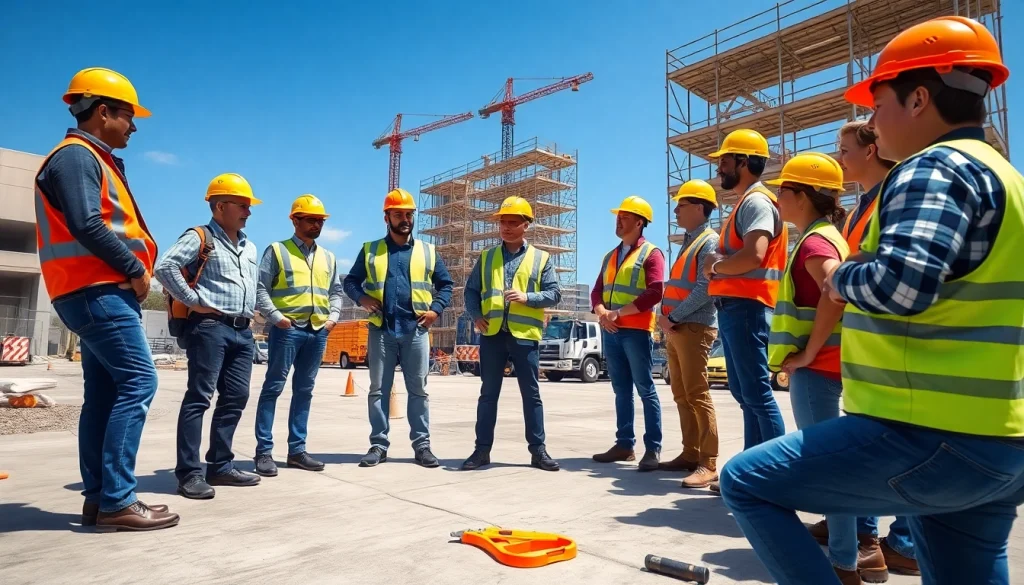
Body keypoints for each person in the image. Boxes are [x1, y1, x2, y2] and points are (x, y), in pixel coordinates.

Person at [719, 16, 1024, 585]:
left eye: (877, 103)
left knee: (746, 481)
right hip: (1001, 436)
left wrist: (840, 276)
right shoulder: (1008, 178)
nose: (871, 123)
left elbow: (901, 285)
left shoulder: (932, 168)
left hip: (926, 430)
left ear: (919, 98)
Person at [35, 67, 178, 531]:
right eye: (128, 116)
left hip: (89, 290)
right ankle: (118, 499)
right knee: (140, 383)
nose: (133, 126)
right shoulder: (76, 156)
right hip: (98, 291)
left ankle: (99, 499)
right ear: (101, 112)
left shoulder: (89, 157)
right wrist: (136, 269)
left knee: (104, 395)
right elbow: (86, 223)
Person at [804, 120, 918, 582]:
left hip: (895, 348)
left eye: (845, 149)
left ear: (871, 151)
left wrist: (840, 279)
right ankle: (866, 537)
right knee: (868, 443)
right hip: (867, 350)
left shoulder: (897, 195)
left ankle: (902, 542)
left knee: (902, 445)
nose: (840, 157)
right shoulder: (857, 211)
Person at [763, 153, 857, 581]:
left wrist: (806, 353)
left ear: (800, 195)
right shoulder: (828, 234)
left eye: (782, 190)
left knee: (827, 469)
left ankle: (843, 565)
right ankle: (854, 553)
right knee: (837, 464)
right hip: (832, 363)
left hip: (819, 367)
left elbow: (833, 291)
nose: (777, 198)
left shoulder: (816, 243)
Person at [155, 173, 262, 500]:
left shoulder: (250, 246)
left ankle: (220, 465)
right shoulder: (200, 236)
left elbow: (254, 285)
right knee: (199, 397)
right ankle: (188, 473)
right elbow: (165, 267)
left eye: (248, 205)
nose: (248, 211)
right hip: (210, 329)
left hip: (243, 332)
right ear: (219, 206)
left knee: (236, 398)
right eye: (242, 204)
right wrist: (192, 300)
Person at [702, 128, 789, 493]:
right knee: (747, 394)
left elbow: (753, 254)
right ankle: (753, 472)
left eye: (724, 161)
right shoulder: (745, 203)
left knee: (757, 397)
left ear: (743, 162)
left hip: (748, 307)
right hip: (739, 307)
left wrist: (715, 266)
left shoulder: (755, 202)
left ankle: (776, 478)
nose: (719, 168)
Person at [343, 188, 454, 468]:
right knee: (378, 390)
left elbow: (446, 285)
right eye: (398, 214)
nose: (405, 219)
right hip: (382, 330)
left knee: (418, 390)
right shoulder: (371, 250)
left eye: (408, 214)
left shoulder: (427, 251)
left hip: (415, 331)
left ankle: (422, 446)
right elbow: (350, 282)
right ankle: (378, 445)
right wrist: (362, 298)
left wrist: (435, 311)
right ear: (386, 217)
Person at [461, 196, 562, 471]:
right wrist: (476, 316)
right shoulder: (487, 258)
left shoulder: (541, 259)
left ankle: (538, 451)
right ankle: (482, 451)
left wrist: (527, 296)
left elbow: (555, 294)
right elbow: (471, 291)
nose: (505, 227)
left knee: (531, 394)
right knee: (488, 394)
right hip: (492, 335)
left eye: (512, 222)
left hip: (524, 336)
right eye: (503, 222)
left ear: (526, 225)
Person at [252, 195, 344, 477]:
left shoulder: (328, 257)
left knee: (304, 390)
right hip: (287, 331)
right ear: (295, 220)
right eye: (311, 219)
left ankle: (297, 450)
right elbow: (260, 288)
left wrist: (332, 319)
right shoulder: (277, 251)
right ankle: (264, 452)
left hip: (317, 331)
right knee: (274, 388)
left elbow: (336, 292)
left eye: (320, 221)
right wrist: (277, 318)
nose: (317, 224)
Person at [591, 196, 665, 471]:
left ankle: (653, 449)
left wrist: (617, 313)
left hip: (635, 331)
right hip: (611, 330)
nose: (618, 220)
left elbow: (655, 292)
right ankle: (624, 444)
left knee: (645, 389)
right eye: (617, 216)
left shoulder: (652, 253)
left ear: (639, 222)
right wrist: (601, 312)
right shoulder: (610, 255)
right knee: (621, 390)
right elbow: (597, 290)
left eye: (624, 216)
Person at [657, 180, 720, 488]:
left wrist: (672, 317)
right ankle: (690, 453)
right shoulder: (689, 241)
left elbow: (705, 289)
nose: (676, 210)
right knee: (681, 394)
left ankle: (708, 463)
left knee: (697, 393)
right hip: (678, 327)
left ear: (698, 208)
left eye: (681, 206)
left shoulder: (709, 241)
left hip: (693, 326)